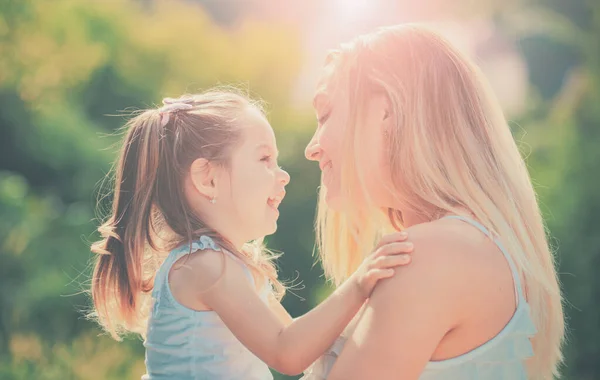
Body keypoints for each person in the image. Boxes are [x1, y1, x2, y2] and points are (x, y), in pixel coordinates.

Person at [89, 90, 414, 379]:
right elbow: (287, 353)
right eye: (264, 159)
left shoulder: (225, 265)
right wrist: (359, 285)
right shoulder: (207, 268)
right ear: (208, 179)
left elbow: (302, 342)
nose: (283, 175)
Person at [303, 24, 564, 380]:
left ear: (386, 111)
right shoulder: (476, 247)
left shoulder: (429, 253)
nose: (312, 147)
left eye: (325, 115)